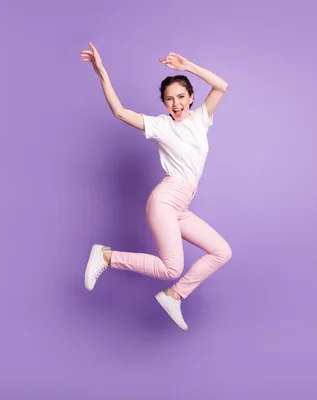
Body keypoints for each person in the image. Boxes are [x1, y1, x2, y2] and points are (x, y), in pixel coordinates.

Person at [80, 41, 232, 330]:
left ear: (190, 98)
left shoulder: (201, 119)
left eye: (180, 97)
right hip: (165, 198)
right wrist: (102, 73)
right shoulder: (162, 125)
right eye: (168, 99)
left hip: (182, 205)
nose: (175, 104)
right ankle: (106, 256)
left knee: (221, 251)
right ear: (164, 103)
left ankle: (174, 296)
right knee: (170, 266)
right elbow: (120, 112)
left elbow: (221, 85)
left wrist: (187, 66)